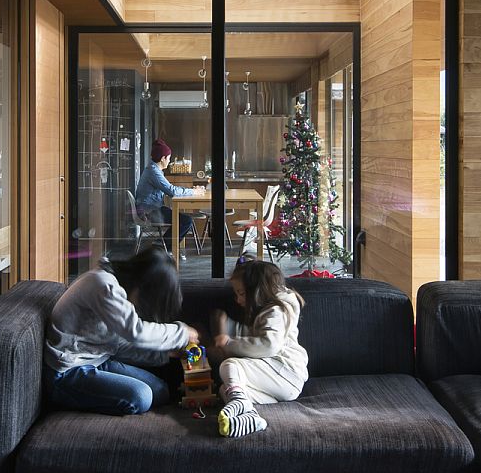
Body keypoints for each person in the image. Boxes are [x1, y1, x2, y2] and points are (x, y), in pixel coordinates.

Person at [43, 247, 199, 415]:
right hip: (66, 373)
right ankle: (71, 397)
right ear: (143, 288)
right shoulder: (104, 286)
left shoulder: (115, 287)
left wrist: (164, 354)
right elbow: (136, 332)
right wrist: (181, 334)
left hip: (97, 359)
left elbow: (116, 345)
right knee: (142, 397)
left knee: (160, 391)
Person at [207, 260, 308, 438]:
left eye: (241, 293)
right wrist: (229, 328)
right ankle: (251, 418)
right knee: (226, 388)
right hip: (281, 384)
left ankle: (241, 404)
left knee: (230, 366)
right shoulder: (269, 311)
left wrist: (230, 343)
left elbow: (268, 345)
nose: (237, 300)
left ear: (258, 291)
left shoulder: (278, 310)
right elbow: (257, 335)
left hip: (286, 370)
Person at [135, 139, 196, 250]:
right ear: (162, 158)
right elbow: (172, 191)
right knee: (186, 221)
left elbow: (169, 189)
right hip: (149, 212)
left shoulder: (153, 169)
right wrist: (193, 191)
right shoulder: (154, 172)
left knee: (182, 219)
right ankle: (163, 248)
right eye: (168, 158)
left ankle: (162, 245)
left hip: (150, 208)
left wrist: (190, 190)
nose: (169, 161)